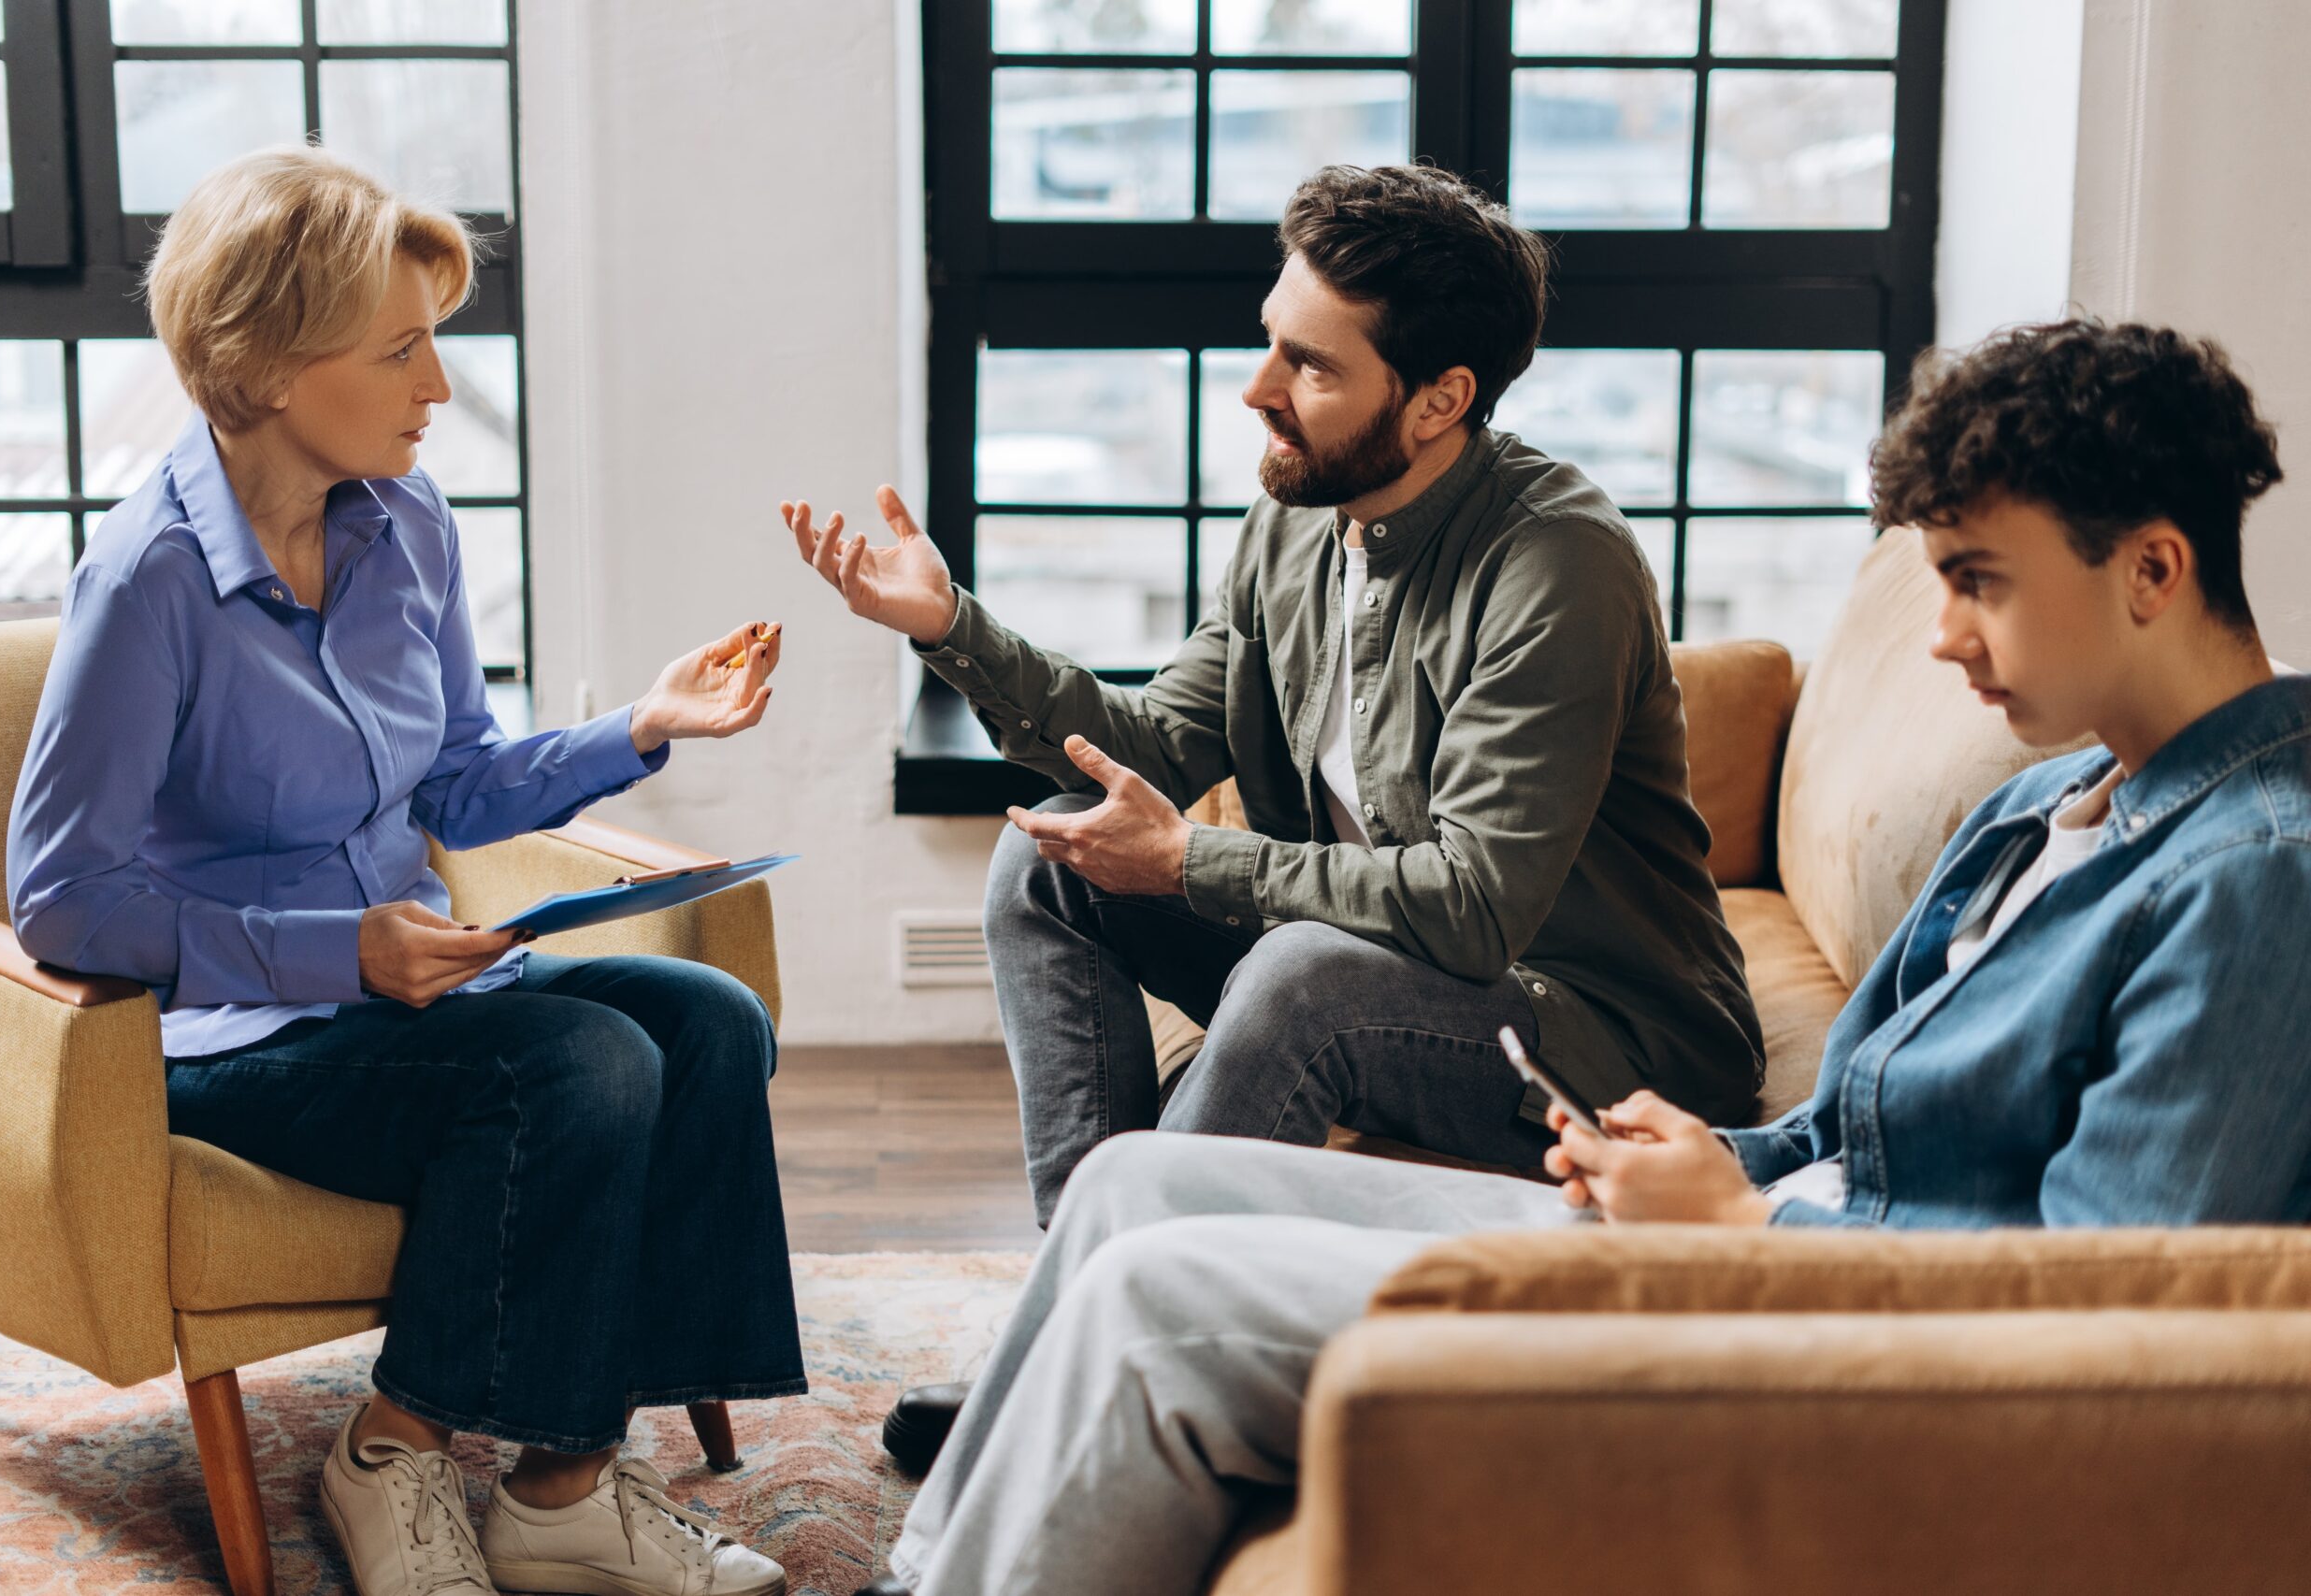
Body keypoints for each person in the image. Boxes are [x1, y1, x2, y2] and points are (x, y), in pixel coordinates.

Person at [849, 317, 2311, 1596]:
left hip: (1818, 1338)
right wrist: (1726, 1158)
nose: (1940, 637)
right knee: (1132, 1185)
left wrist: (1744, 1232)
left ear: (2153, 569)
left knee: (1157, 1306)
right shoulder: (2041, 803)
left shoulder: (2256, 879)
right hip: (1738, 1240)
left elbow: (2118, 1309)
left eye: (1978, 581)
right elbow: (1862, 1119)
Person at [7, 147, 794, 1596]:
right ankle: (393, 1448)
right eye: (404, 345)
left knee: (707, 1020)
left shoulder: (409, 525)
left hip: (395, 999)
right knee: (581, 1062)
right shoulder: (149, 583)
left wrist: (640, 724)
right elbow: (61, 898)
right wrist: (337, 954)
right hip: (221, 1037)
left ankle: (565, 1479)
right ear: (270, 367)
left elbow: (452, 780)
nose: (438, 382)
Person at [786, 163, 1762, 1227]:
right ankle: (1086, 1267)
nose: (1257, 389)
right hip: (1389, 970)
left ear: (1441, 399)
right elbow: (1153, 745)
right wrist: (948, 628)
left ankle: (1111, 1297)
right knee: (1045, 855)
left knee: (1305, 976)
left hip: (1599, 1031)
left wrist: (1191, 861)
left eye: (1309, 367)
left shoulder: (1556, 562)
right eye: (1269, 340)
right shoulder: (1299, 517)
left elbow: (1475, 909)